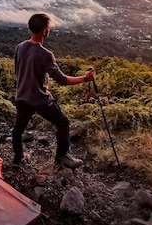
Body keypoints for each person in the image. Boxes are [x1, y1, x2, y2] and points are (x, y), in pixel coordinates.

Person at [12, 13, 96, 169]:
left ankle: (18, 157)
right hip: (40, 99)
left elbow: (18, 71)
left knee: (18, 129)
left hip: (22, 96)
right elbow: (62, 80)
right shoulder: (46, 55)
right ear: (45, 31)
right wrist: (85, 78)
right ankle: (61, 157)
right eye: (47, 27)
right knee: (63, 123)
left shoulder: (20, 47)